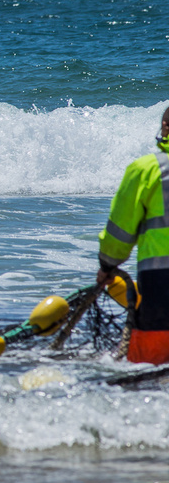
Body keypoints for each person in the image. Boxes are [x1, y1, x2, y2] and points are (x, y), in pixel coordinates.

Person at [97, 106, 169, 363]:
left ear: (165, 128)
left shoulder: (147, 169)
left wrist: (107, 265)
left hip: (161, 280)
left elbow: (120, 231)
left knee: (149, 368)